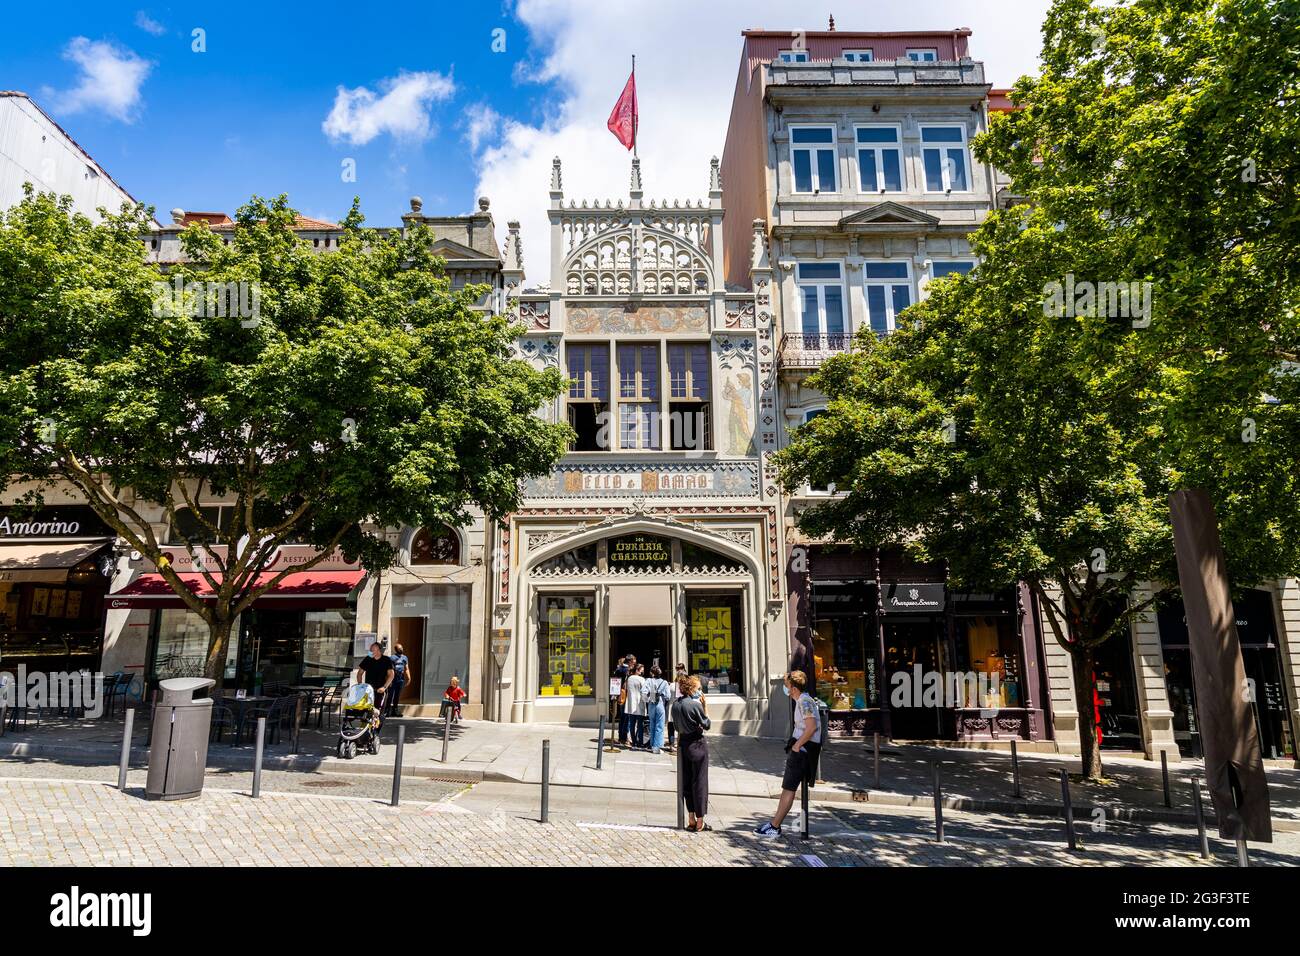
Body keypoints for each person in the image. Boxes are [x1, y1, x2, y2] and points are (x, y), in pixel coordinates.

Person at [756, 671, 822, 839]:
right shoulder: (803, 700)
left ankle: (775, 826)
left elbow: (811, 726)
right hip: (802, 748)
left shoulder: (804, 702)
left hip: (803, 750)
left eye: (786, 686)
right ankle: (774, 824)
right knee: (787, 788)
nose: (785, 689)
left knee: (788, 788)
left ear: (793, 688)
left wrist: (797, 746)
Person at [671, 674, 711, 832]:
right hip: (697, 745)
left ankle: (691, 817)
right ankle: (700, 820)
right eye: (697, 688)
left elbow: (675, 727)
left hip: (683, 745)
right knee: (699, 782)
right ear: (692, 689)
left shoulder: (675, 705)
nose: (699, 691)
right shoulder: (695, 705)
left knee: (686, 782)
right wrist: (705, 707)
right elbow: (706, 724)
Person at [354, 642, 395, 729]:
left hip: (380, 690)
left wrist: (384, 687)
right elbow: (359, 673)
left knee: (378, 712)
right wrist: (360, 686)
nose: (370, 651)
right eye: (370, 649)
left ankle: (375, 732)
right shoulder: (368, 659)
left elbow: (391, 675)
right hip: (368, 690)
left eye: (372, 650)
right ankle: (365, 729)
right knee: (366, 710)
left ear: (379, 650)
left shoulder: (386, 660)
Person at [641, 665, 672, 754]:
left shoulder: (648, 681)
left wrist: (648, 700)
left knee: (652, 724)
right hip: (660, 704)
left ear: (652, 673)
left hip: (651, 704)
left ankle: (652, 745)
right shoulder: (664, 682)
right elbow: (668, 696)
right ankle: (657, 747)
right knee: (660, 726)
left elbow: (643, 692)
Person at [666, 662, 687, 753]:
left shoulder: (671, 685)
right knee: (680, 727)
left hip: (671, 707)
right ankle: (679, 743)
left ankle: (671, 744)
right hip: (680, 708)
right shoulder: (683, 687)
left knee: (671, 727)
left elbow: (667, 696)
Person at [624, 662, 647, 749]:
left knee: (632, 724)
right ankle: (640, 742)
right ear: (637, 670)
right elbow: (644, 691)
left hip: (630, 702)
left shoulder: (629, 678)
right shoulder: (641, 679)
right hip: (639, 702)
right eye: (641, 671)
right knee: (640, 724)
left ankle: (633, 741)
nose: (642, 672)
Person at [614, 655, 633, 745]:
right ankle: (625, 738)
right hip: (626, 695)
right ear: (630, 662)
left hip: (620, 695)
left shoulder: (618, 669)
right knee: (627, 717)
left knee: (622, 717)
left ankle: (621, 736)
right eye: (633, 661)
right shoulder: (628, 671)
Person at [388, 643, 410, 717]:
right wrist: (389, 680)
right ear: (396, 649)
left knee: (397, 695)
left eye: (402, 648)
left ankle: (395, 710)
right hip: (393, 679)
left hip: (400, 679)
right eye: (399, 648)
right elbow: (389, 670)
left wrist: (409, 678)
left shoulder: (405, 658)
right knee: (390, 695)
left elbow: (406, 668)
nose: (401, 649)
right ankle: (387, 711)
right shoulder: (392, 658)